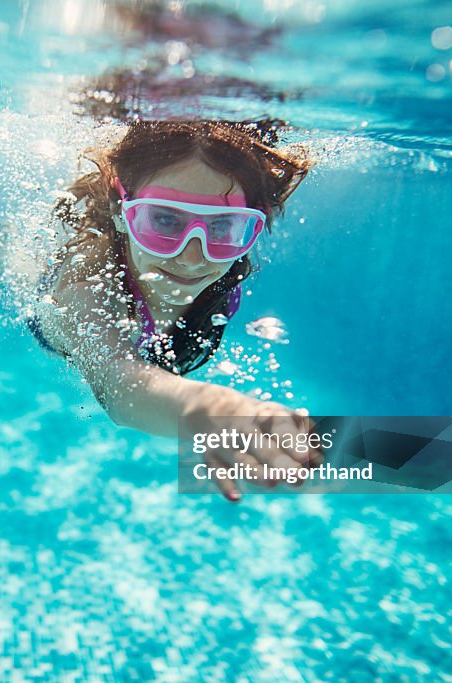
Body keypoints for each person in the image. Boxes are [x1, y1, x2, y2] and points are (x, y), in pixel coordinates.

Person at [27, 119, 322, 501]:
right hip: (54, 314)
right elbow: (119, 382)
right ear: (122, 209)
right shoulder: (87, 291)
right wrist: (212, 411)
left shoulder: (223, 280)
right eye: (164, 219)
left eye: (224, 227)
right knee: (24, 263)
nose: (193, 257)